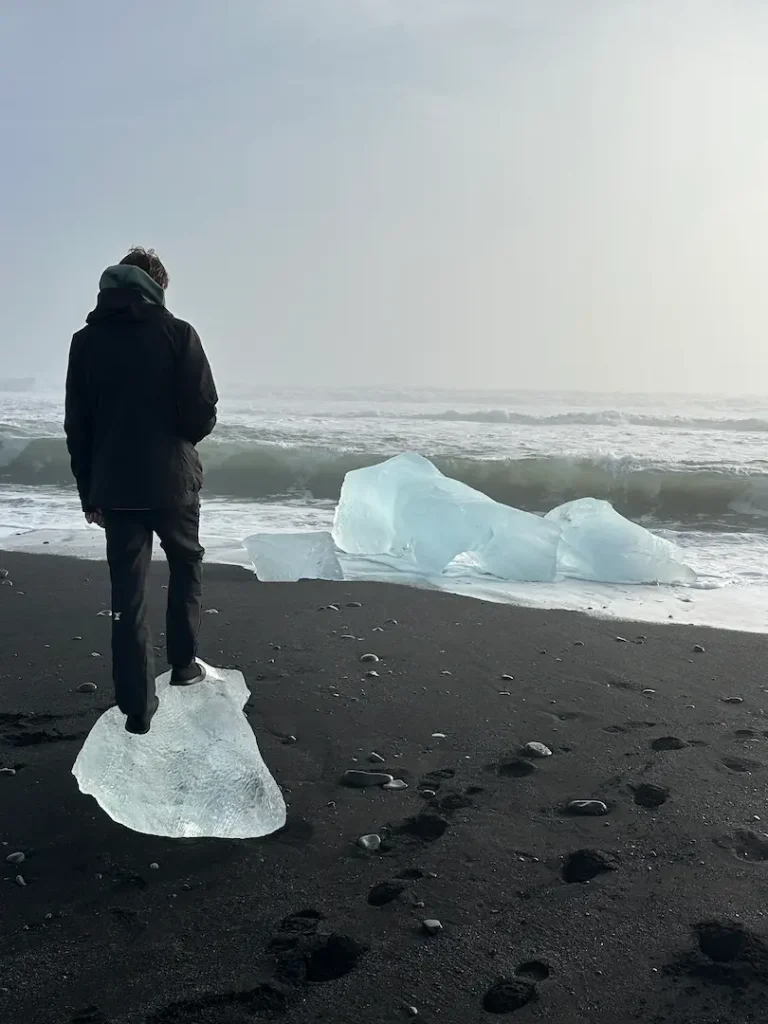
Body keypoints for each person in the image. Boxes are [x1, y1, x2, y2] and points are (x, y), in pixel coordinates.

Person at [64, 247, 218, 735]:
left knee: (127, 596)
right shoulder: (177, 334)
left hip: (115, 486)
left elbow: (77, 426)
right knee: (185, 564)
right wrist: (175, 435)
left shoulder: (85, 342)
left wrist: (89, 490)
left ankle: (136, 709)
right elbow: (201, 413)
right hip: (173, 482)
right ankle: (184, 665)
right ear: (157, 287)